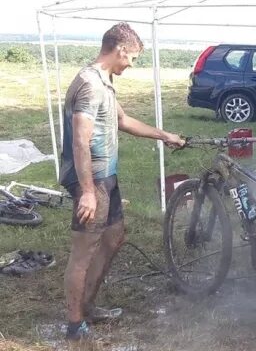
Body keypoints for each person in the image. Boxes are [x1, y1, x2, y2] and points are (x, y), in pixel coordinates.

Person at [59, 22, 185, 341]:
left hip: (107, 177)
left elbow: (123, 120)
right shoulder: (89, 83)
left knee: (114, 236)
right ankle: (75, 323)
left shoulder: (105, 81)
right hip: (91, 180)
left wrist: (164, 135)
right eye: (132, 58)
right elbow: (79, 142)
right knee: (84, 251)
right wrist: (87, 191)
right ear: (121, 50)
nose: (131, 64)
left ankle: (87, 305)